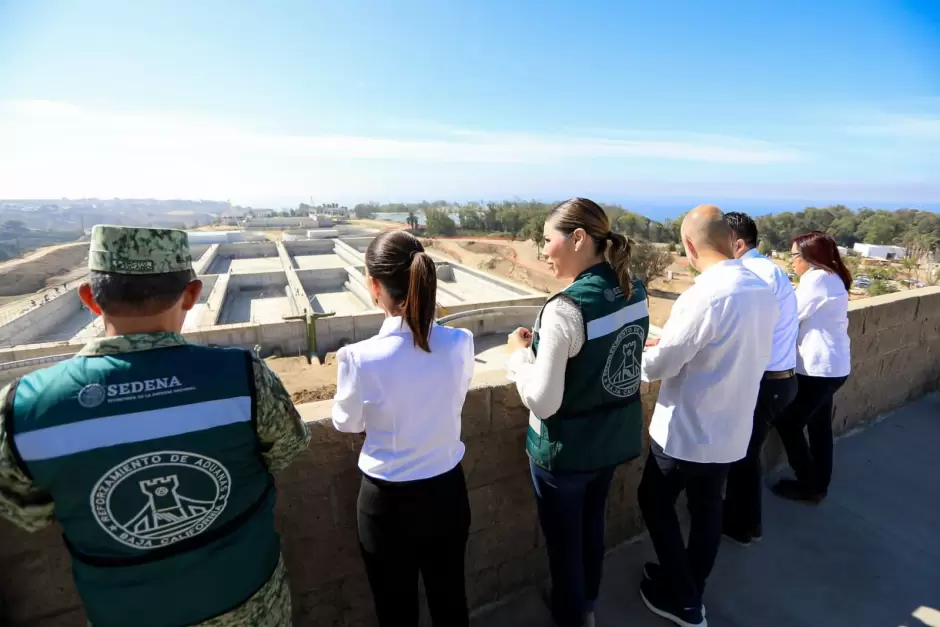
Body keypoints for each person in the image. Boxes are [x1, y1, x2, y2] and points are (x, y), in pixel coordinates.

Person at [0, 225, 310, 627]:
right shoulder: (242, 378)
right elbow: (287, 449)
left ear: (90, 299)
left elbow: (29, 514)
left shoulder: (25, 406)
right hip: (251, 604)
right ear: (192, 295)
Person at [506, 198, 649, 627]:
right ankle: (587, 604)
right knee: (591, 531)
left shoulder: (565, 308)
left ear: (578, 239)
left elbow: (544, 400)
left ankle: (574, 617)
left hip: (565, 454)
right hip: (610, 441)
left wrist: (518, 357)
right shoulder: (634, 289)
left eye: (547, 240)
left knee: (564, 544)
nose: (543, 250)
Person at [637, 205, 777, 627]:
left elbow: (662, 365)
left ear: (689, 245)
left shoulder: (704, 295)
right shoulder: (760, 287)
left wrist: (646, 355)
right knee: (706, 509)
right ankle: (689, 583)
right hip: (730, 430)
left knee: (653, 501)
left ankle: (683, 600)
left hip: (686, 431)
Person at [332, 230, 475, 627]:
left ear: (374, 285)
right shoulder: (460, 342)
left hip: (387, 505)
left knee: (395, 611)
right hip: (447, 492)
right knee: (451, 601)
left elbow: (347, 423)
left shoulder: (358, 358)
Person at [722, 212, 800, 545]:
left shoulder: (752, 275)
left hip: (767, 383)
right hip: (781, 380)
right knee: (746, 454)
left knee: (744, 456)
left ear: (737, 243)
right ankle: (744, 520)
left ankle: (745, 526)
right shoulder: (770, 270)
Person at [772, 231, 852, 504]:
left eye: (795, 255)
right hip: (834, 368)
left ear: (810, 257)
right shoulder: (833, 277)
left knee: (789, 422)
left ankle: (809, 484)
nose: (792, 261)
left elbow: (788, 317)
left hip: (818, 371)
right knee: (819, 427)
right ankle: (820, 481)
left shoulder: (816, 279)